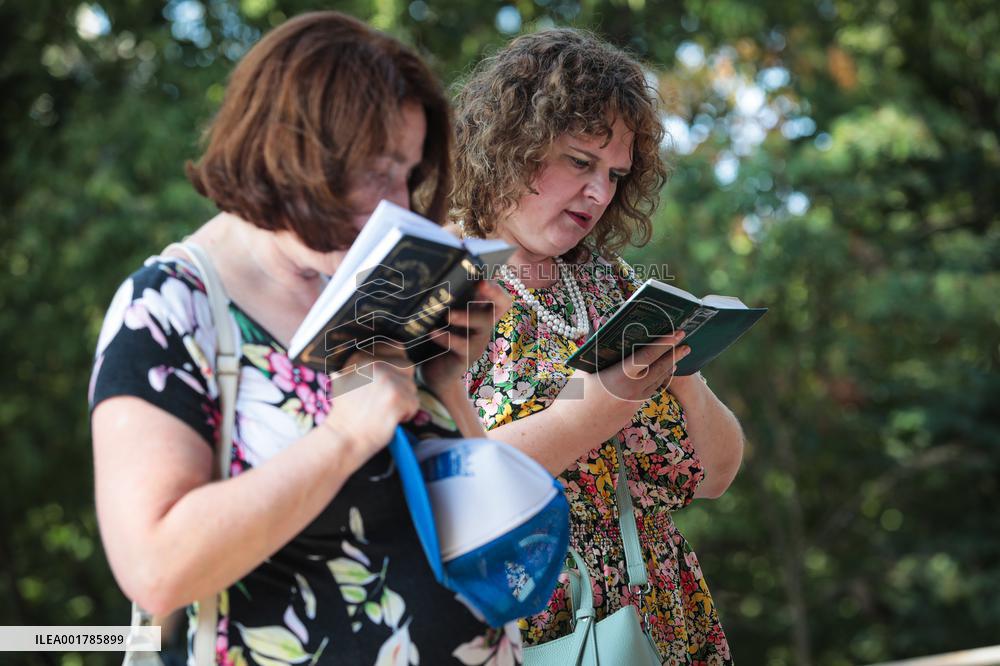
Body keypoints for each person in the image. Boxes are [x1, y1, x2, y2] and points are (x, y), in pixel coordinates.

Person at [89, 12, 519, 665]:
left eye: (406, 173)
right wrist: (344, 437)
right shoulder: (169, 306)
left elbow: (465, 526)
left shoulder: (359, 279)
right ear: (293, 154)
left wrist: (447, 386)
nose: (400, 204)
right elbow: (156, 569)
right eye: (378, 172)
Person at [451, 29, 742, 662]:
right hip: (517, 619)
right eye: (580, 162)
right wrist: (595, 408)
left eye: (615, 174)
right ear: (508, 146)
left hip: (652, 613)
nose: (599, 194)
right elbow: (427, 478)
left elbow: (717, 475)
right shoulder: (427, 276)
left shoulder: (611, 282)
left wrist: (683, 369)